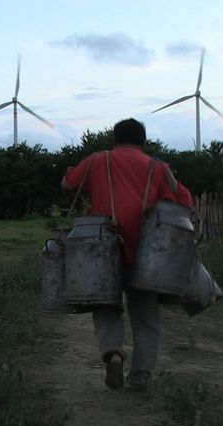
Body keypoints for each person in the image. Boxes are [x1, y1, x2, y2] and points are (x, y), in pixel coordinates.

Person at [62, 118, 193, 390]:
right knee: (145, 316)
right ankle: (142, 375)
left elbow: (68, 184)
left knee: (106, 308)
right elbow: (184, 203)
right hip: (148, 256)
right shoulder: (158, 167)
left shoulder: (98, 160)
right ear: (143, 142)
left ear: (114, 140)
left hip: (103, 252)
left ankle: (113, 354)